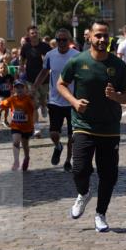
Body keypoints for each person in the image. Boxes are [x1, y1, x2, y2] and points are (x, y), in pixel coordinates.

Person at [57, 20, 126, 232]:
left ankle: (101, 214)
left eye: (105, 36)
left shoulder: (118, 66)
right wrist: (73, 102)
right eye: (98, 35)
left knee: (109, 175)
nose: (102, 40)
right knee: (79, 169)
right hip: (83, 124)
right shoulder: (78, 61)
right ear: (89, 36)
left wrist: (116, 96)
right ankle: (83, 192)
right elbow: (60, 83)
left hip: (109, 127)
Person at [34, 28, 78, 171]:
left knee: (72, 135)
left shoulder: (76, 56)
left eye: (64, 40)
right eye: (58, 40)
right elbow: (44, 72)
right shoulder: (50, 55)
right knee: (54, 133)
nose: (61, 42)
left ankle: (68, 160)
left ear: (69, 41)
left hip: (72, 100)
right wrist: (34, 87)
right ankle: (58, 146)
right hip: (55, 100)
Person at [0, 79, 35, 171]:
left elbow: (35, 107)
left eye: (21, 87)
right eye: (17, 87)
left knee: (25, 145)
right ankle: (16, 161)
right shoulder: (12, 99)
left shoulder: (28, 99)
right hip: (16, 126)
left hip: (27, 127)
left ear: (25, 89)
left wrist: (33, 100)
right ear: (14, 89)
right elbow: (3, 104)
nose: (19, 89)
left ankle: (27, 157)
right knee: (16, 142)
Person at [20, 25, 50, 136]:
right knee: (33, 103)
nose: (34, 34)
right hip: (30, 79)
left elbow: (50, 58)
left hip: (44, 78)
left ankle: (44, 105)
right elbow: (22, 59)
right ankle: (36, 127)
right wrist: (21, 67)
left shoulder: (45, 46)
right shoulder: (25, 47)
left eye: (36, 32)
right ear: (29, 35)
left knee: (43, 99)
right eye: (32, 33)